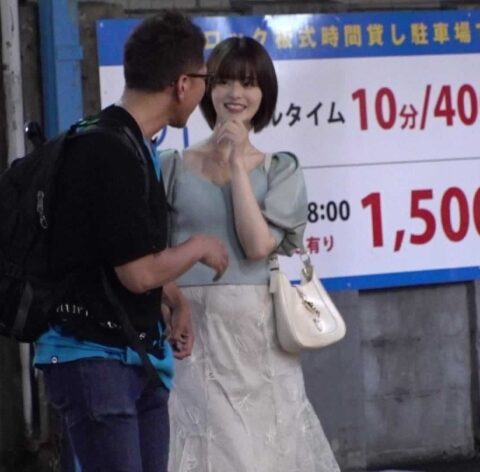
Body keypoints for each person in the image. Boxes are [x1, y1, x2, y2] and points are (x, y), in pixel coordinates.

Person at [33, 11, 228, 472]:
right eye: (205, 79)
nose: (205, 91)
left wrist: (174, 299)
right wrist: (199, 247)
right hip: (94, 359)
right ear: (182, 84)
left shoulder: (133, 144)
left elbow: (118, 253)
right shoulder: (109, 149)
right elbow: (138, 274)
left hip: (135, 355)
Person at [161, 36, 340, 472]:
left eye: (249, 83)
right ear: (207, 88)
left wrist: (237, 165)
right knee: (210, 450)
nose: (236, 94)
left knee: (269, 450)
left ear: (264, 94)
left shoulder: (281, 168)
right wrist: (170, 307)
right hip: (195, 333)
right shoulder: (171, 166)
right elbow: (157, 253)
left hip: (260, 339)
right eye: (225, 81)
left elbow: (258, 246)